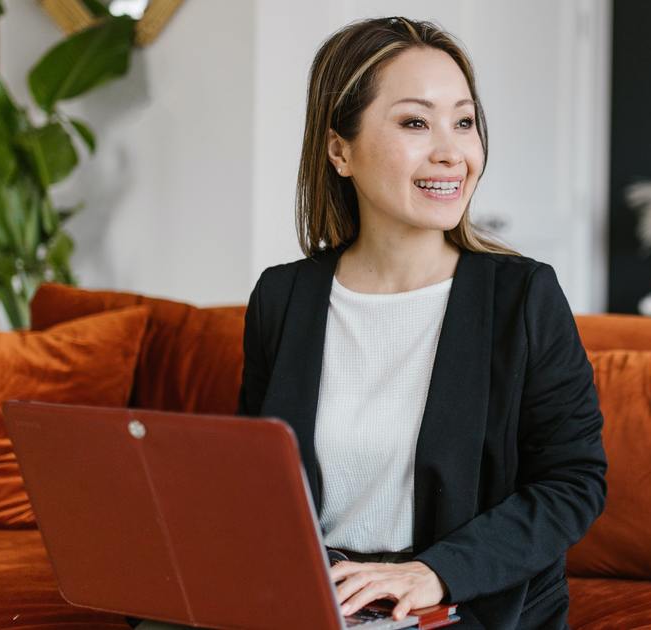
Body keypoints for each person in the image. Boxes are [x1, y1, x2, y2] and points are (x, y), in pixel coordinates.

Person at [236, 16, 608, 629]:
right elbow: (259, 486)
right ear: (339, 149)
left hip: (462, 607)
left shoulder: (523, 296)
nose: (451, 151)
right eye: (415, 122)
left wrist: (432, 572)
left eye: (463, 122)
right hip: (320, 604)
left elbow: (574, 483)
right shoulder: (283, 298)